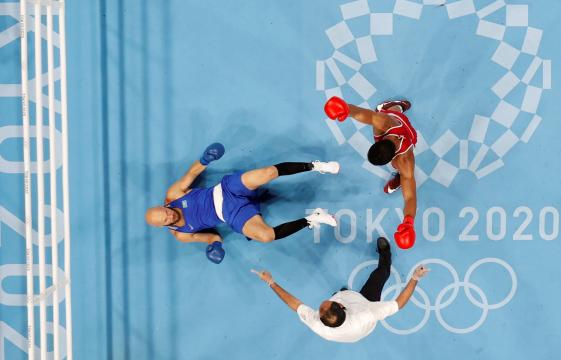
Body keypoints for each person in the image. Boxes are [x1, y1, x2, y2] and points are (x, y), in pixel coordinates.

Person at [145, 142, 340, 264]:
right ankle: (312, 219)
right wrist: (216, 247)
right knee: (265, 236)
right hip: (233, 214)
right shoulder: (181, 234)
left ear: (163, 205)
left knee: (268, 173)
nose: (169, 214)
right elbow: (212, 239)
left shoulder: (173, 195)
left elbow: (192, 173)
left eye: (165, 211)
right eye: (165, 219)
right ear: (163, 225)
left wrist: (205, 159)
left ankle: (316, 166)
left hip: (226, 189)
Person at [252, 237, 429, 342]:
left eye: (320, 309)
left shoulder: (317, 323)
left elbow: (295, 304)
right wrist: (414, 278)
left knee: (343, 290)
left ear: (321, 317)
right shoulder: (366, 314)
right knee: (382, 273)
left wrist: (271, 283)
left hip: (351, 304)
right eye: (328, 304)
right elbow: (399, 304)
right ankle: (386, 255)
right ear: (342, 306)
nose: (320, 306)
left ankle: (347, 289)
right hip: (364, 303)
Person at [324, 97, 418, 249]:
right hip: (392, 122)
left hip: (407, 135)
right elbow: (360, 112)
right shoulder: (383, 122)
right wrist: (346, 109)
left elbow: (410, 196)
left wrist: (409, 222)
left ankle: (395, 107)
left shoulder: (404, 160)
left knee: (403, 172)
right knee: (379, 117)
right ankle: (395, 107)